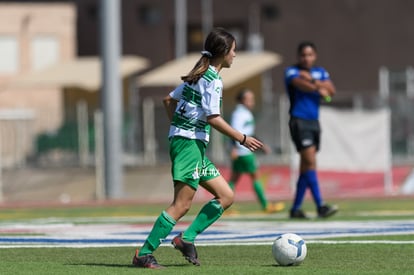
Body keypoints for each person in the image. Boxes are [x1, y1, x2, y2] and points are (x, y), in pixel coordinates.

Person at [132, 28, 263, 269]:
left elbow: (168, 100)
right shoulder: (212, 80)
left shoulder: (198, 75)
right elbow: (213, 117)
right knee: (181, 204)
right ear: (223, 52)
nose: (235, 55)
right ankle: (144, 253)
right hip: (189, 146)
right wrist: (242, 138)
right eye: (233, 50)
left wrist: (178, 127)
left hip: (189, 144)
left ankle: (187, 238)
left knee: (226, 196)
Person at [284, 41, 338, 219]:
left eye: (310, 55)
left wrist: (314, 81)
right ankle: (320, 206)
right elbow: (300, 84)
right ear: (298, 56)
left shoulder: (320, 72)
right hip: (299, 121)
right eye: (303, 55)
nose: (306, 58)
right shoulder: (292, 71)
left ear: (314, 56)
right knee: (310, 161)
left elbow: (332, 90)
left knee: (306, 166)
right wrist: (318, 87)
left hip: (314, 122)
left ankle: (296, 208)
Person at [228, 88, 285, 213]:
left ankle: (222, 207)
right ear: (242, 101)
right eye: (249, 100)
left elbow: (249, 133)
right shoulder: (239, 114)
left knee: (234, 179)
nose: (252, 102)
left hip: (242, 150)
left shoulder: (244, 113)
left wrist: (262, 145)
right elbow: (234, 132)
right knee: (255, 177)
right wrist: (234, 148)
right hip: (242, 151)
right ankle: (265, 205)